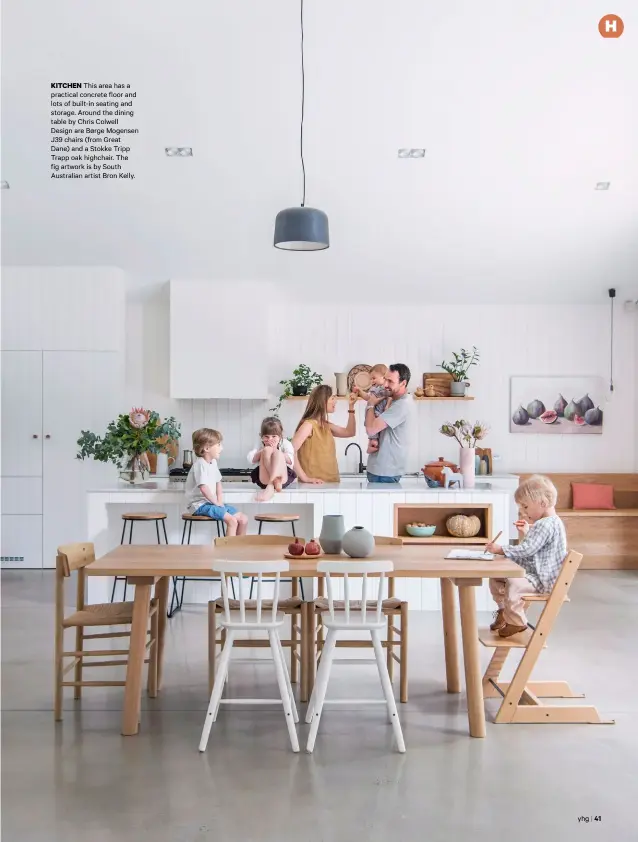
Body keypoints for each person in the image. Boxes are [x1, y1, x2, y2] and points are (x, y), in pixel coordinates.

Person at [485, 475, 567, 638]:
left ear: (542, 503)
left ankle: (517, 621)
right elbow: (539, 546)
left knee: (514, 583)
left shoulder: (545, 525)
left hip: (542, 578)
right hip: (536, 572)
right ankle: (503, 611)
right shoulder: (549, 522)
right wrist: (529, 532)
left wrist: (501, 549)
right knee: (497, 577)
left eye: (526, 506)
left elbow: (527, 550)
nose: (523, 511)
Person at [184, 428, 248, 537]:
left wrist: (220, 502)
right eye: (218, 445)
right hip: (199, 505)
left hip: (212, 503)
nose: (221, 448)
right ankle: (227, 552)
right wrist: (216, 503)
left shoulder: (213, 463)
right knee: (232, 521)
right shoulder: (200, 464)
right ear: (207, 448)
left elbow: (218, 483)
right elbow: (204, 488)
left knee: (243, 519)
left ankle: (239, 549)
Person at [291, 384, 357, 484]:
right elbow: (290, 451)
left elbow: (350, 432)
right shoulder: (309, 425)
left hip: (332, 483)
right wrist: (305, 478)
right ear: (323, 401)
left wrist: (351, 407)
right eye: (332, 398)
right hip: (314, 486)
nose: (335, 401)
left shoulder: (325, 425)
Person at [364, 363, 413, 483]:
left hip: (384, 472)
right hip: (381, 469)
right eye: (385, 379)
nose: (385, 384)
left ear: (403, 383)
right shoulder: (394, 400)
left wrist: (371, 403)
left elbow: (371, 429)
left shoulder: (402, 405)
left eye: (390, 381)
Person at [247, 417, 296, 502]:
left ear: (280, 437)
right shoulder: (259, 444)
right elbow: (251, 459)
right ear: (261, 436)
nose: (270, 440)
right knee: (267, 450)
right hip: (265, 478)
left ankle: (270, 486)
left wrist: (275, 450)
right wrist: (264, 450)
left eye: (274, 436)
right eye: (266, 436)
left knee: (277, 453)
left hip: (282, 478)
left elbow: (291, 460)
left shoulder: (285, 443)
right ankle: (274, 481)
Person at [353, 364, 392, 454]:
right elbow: (367, 397)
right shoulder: (373, 388)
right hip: (372, 410)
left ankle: (374, 442)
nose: (372, 381)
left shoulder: (385, 388)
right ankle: (372, 442)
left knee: (373, 427)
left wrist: (387, 406)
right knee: (369, 424)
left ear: (384, 377)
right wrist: (359, 391)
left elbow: (390, 396)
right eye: (371, 379)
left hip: (379, 411)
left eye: (374, 378)